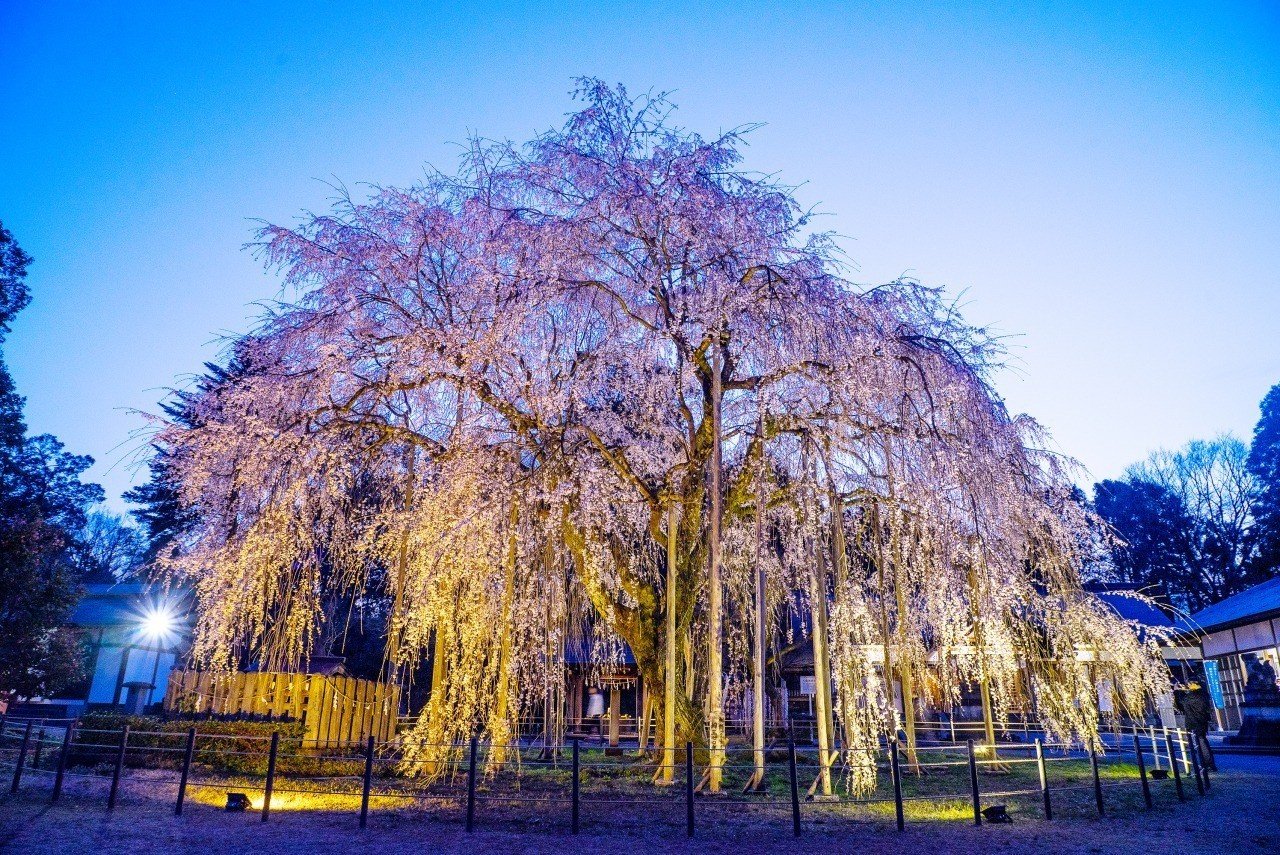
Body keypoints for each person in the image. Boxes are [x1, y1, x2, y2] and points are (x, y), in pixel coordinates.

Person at [1175, 679, 1217, 772]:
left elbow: (1181, 705)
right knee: (1203, 741)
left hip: (1194, 723)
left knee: (1200, 743)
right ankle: (1208, 764)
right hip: (1202, 722)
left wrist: (1177, 692)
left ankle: (1208, 764)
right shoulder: (1203, 695)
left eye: (1188, 684)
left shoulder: (1190, 697)